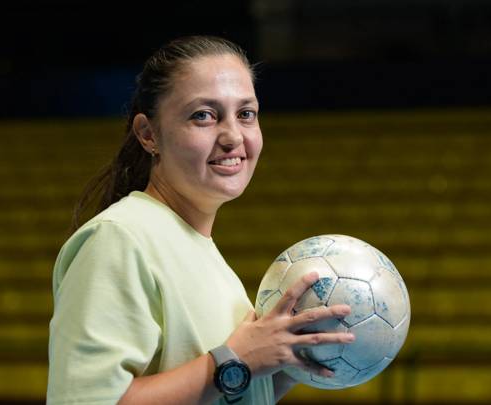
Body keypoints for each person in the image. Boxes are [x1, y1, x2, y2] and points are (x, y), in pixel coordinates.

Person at [47, 35, 354, 405]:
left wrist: (286, 364)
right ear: (148, 134)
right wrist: (236, 360)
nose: (232, 136)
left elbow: (219, 391)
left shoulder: (200, 251)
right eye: (204, 116)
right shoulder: (119, 239)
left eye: (246, 114)